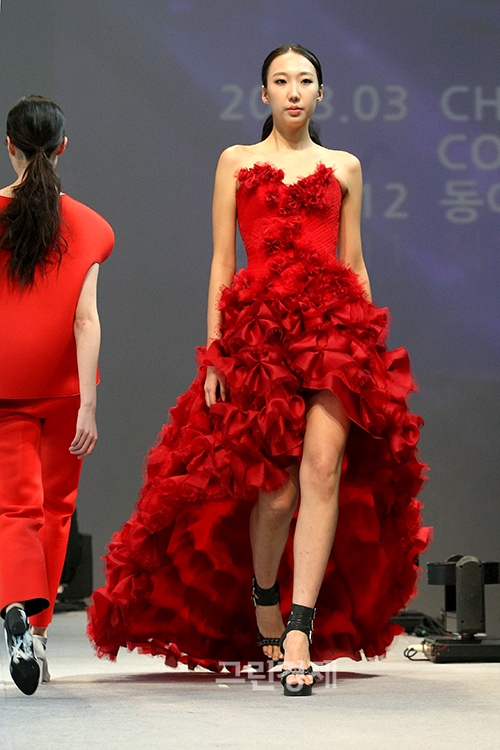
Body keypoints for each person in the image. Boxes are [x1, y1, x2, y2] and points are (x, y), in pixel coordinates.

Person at [88, 45, 429, 697]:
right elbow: (223, 262)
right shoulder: (236, 162)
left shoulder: (345, 167)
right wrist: (216, 351)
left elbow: (354, 262)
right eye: (281, 81)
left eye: (305, 81)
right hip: (260, 336)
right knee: (275, 493)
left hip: (334, 334)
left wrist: (369, 352)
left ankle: (298, 630)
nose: (294, 91)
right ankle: (265, 595)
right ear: (264, 94)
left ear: (321, 94)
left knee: (323, 470)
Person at [0, 96, 114, 695]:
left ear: (10, 147)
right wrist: (88, 405)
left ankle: (16, 607)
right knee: (55, 511)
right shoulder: (90, 226)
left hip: (4, 388)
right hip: (67, 391)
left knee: (14, 511)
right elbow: (85, 320)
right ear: (63, 147)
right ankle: (38, 635)